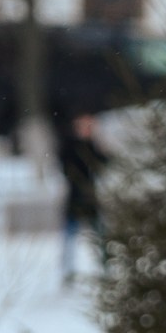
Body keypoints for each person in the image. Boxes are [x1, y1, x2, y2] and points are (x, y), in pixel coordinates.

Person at [57, 112, 110, 284]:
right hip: (74, 199)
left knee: (100, 236)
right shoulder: (69, 146)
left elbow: (104, 163)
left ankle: (106, 269)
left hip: (91, 199)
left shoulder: (92, 145)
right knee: (70, 238)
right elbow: (67, 168)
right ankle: (67, 272)